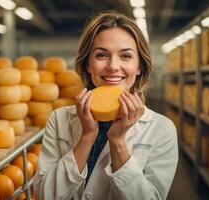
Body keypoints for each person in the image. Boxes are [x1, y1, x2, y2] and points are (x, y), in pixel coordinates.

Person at [33, 11, 178, 200]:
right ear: (87, 64)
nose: (112, 66)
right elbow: (45, 196)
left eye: (125, 56)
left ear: (139, 67)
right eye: (101, 55)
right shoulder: (59, 119)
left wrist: (117, 141)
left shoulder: (162, 128)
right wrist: (87, 136)